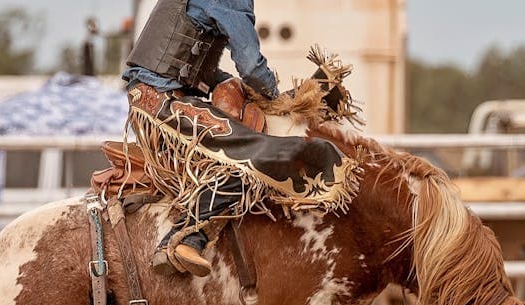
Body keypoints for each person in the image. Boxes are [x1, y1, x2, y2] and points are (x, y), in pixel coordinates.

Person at [123, 0, 358, 277]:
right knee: (255, 157)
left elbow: (183, 60)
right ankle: (186, 236)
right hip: (163, 105)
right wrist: (280, 99)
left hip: (154, 99)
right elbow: (251, 66)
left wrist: (224, 81)